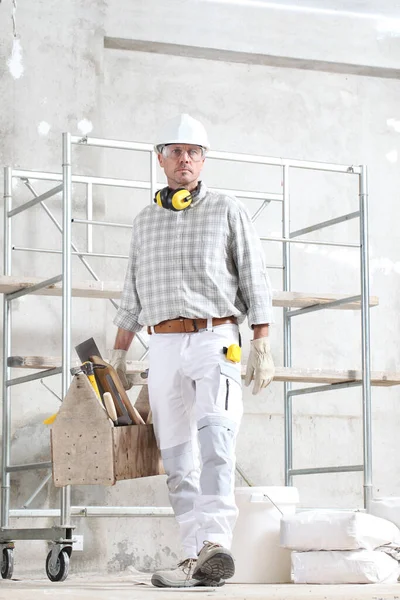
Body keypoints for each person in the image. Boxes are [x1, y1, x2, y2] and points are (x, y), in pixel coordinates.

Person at [110, 113, 275, 588]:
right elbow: (131, 296)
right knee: (177, 455)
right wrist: (119, 353)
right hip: (162, 344)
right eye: (177, 151)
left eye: (195, 152)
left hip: (215, 340)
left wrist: (261, 341)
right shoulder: (144, 222)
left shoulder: (226, 209)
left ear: (204, 161)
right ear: (160, 159)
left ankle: (216, 542)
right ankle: (193, 555)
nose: (186, 159)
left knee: (217, 441)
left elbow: (254, 278)